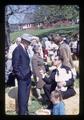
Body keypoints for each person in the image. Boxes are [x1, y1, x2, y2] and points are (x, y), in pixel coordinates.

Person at [12, 33, 32, 115]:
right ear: (24, 41)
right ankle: (22, 112)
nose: (29, 44)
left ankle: (26, 111)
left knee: (26, 95)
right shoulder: (17, 50)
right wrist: (20, 76)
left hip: (27, 76)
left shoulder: (25, 49)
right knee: (22, 96)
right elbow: (15, 66)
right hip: (22, 77)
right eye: (28, 42)